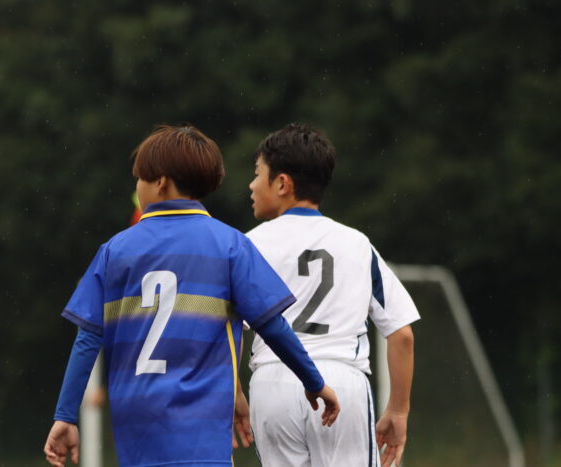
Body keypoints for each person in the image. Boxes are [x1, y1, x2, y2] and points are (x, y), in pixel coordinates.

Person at [43, 125, 340, 467]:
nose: (137, 187)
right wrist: (313, 382)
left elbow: (87, 339)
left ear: (160, 182)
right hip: (202, 438)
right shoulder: (230, 245)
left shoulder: (113, 252)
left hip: (137, 438)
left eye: (139, 178)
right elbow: (272, 327)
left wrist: (65, 416)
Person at [237, 123, 420, 467]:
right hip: (341, 379)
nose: (251, 184)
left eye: (257, 174)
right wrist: (398, 410)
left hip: (272, 381)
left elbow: (226, 327)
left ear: (282, 183)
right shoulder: (357, 244)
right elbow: (402, 335)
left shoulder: (248, 245)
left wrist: (234, 390)